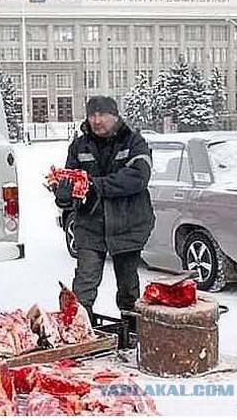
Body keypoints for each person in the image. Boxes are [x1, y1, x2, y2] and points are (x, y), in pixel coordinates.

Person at [54, 95, 155, 328]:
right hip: (90, 225)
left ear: (115, 116)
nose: (97, 120)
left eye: (102, 114)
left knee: (128, 286)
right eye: (92, 115)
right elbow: (71, 182)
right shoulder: (79, 146)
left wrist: (97, 185)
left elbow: (139, 178)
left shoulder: (134, 141)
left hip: (128, 223)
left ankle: (133, 331)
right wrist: (63, 195)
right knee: (83, 286)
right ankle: (80, 332)